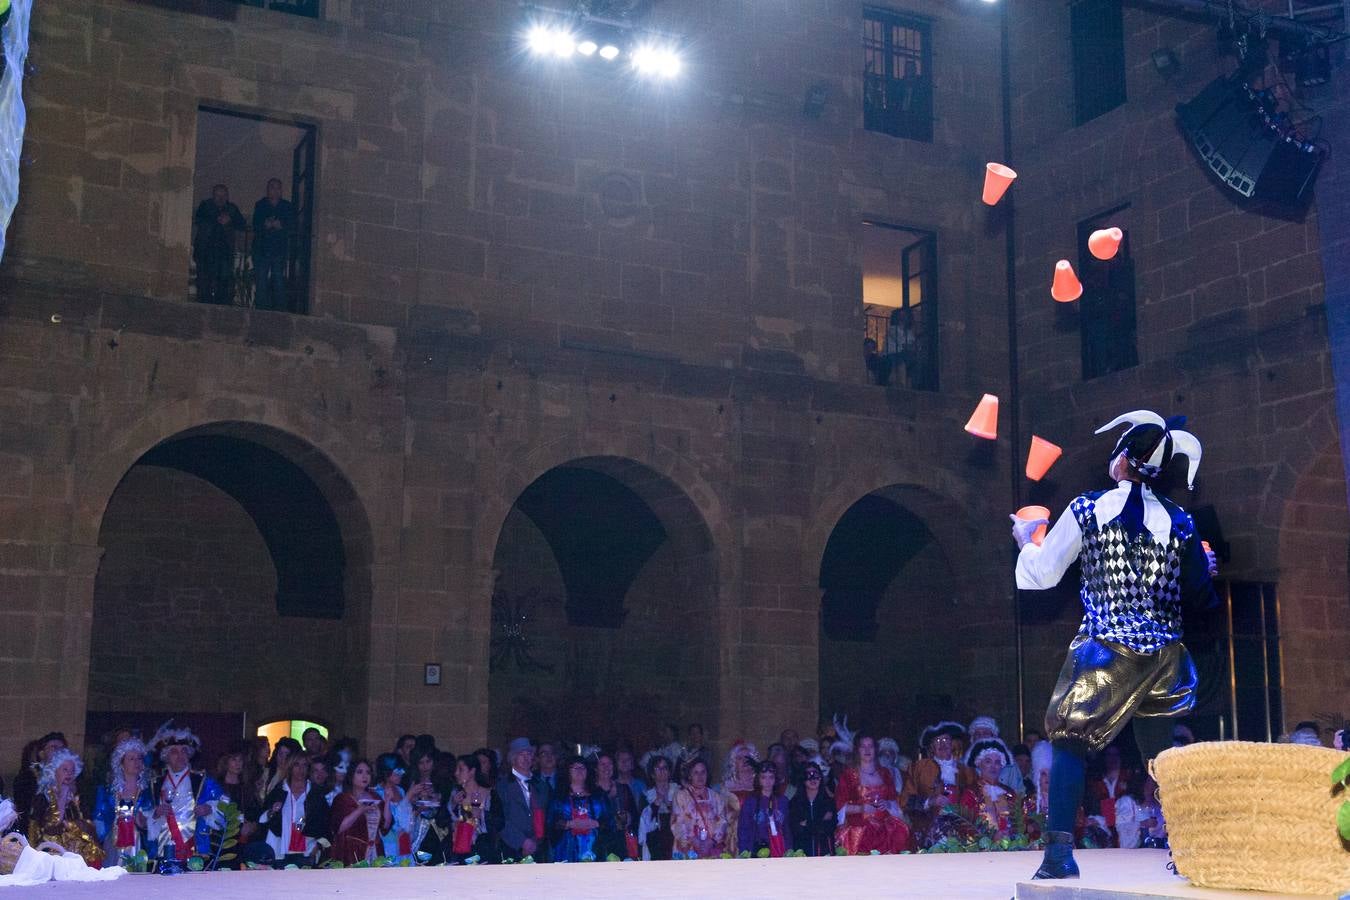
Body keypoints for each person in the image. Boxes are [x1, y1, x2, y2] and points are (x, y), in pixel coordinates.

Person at [1013, 410, 1216, 880]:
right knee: (1160, 757)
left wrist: (1026, 539)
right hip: (1165, 655)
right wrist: (1205, 568)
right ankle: (1189, 850)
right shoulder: (1181, 521)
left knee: (1067, 741)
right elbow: (1200, 597)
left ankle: (1059, 855)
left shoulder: (1088, 509)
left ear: (1122, 460)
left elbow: (1043, 575)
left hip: (1106, 648)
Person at [148, 722, 223, 861]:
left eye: (184, 750)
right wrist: (155, 813)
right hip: (163, 848)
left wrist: (210, 808)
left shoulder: (203, 780)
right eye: (174, 751)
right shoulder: (155, 783)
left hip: (195, 849)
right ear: (166, 756)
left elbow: (225, 805)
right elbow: (143, 814)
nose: (180, 755)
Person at [834, 733, 908, 855]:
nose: (867, 750)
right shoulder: (848, 775)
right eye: (863, 746)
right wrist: (862, 808)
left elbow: (894, 801)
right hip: (858, 833)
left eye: (870, 746)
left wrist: (887, 805)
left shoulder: (885, 773)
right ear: (857, 750)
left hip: (886, 833)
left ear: (875, 750)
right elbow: (840, 805)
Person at [903, 721, 975, 843]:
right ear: (932, 747)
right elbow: (905, 800)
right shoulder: (918, 768)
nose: (942, 744)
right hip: (926, 831)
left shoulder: (966, 771)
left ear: (953, 744)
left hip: (960, 833)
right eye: (937, 741)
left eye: (946, 740)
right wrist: (929, 801)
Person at [29, 748, 103, 866]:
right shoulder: (42, 798)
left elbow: (89, 825)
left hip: (77, 854)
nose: (69, 773)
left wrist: (79, 824)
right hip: (51, 855)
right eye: (65, 770)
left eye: (72, 771)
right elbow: (50, 829)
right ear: (54, 772)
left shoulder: (77, 797)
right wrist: (62, 796)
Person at [92, 738, 154, 862]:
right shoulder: (107, 791)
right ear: (121, 763)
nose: (136, 762)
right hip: (113, 843)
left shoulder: (150, 791)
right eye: (131, 759)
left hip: (139, 845)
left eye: (139, 758)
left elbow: (154, 821)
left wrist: (145, 822)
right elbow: (98, 819)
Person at [261, 755, 328, 866]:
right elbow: (262, 819)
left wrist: (318, 847)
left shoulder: (316, 794)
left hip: (307, 851)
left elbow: (325, 824)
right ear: (290, 767)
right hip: (278, 850)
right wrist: (272, 812)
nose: (301, 769)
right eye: (297, 765)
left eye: (304, 765)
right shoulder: (278, 791)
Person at [960, 740, 1030, 842]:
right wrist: (990, 838)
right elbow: (963, 825)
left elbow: (1020, 824)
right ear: (979, 764)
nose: (993, 766)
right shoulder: (971, 792)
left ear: (1002, 765)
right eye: (988, 761)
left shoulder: (1009, 793)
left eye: (997, 762)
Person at [548, 755, 614, 862]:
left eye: (582, 767)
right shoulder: (559, 797)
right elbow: (550, 822)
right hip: (566, 850)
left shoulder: (599, 795)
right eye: (575, 768)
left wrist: (595, 824)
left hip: (595, 848)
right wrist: (569, 824)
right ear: (568, 772)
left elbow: (610, 821)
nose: (579, 771)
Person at [192, 184, 246, 305]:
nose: (220, 198)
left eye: (223, 195)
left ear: (227, 196)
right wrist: (216, 218)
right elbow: (199, 219)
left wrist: (230, 220)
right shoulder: (205, 206)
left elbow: (242, 224)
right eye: (218, 195)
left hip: (224, 254)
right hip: (205, 251)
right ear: (213, 196)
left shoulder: (232, 209)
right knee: (204, 284)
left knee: (224, 284)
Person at [498, 738, 549, 862]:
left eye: (529, 754)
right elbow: (500, 819)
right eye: (521, 754)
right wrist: (522, 842)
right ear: (513, 758)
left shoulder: (541, 785)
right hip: (512, 847)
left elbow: (546, 815)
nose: (526, 758)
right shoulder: (502, 785)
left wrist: (536, 841)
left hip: (539, 848)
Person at [330, 759, 387, 865]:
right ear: (351, 775)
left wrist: (387, 800)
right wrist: (361, 809)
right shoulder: (343, 799)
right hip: (352, 850)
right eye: (360, 772)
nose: (365, 776)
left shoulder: (375, 797)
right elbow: (339, 827)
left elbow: (385, 827)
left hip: (375, 850)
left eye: (368, 772)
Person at [672, 758, 730, 859]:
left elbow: (722, 821)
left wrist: (711, 841)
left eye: (703, 772)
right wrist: (694, 841)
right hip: (687, 848)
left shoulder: (716, 797)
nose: (700, 776)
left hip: (710, 848)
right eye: (696, 773)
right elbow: (677, 823)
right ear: (690, 775)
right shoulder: (681, 796)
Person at [250, 178, 294, 312]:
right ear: (267, 190)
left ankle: (280, 311)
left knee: (278, 281)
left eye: (277, 188)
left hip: (278, 249)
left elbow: (292, 224)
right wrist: (265, 224)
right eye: (272, 187)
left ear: (281, 191)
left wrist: (281, 225)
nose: (274, 190)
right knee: (261, 281)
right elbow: (256, 224)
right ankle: (262, 311)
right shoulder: (260, 205)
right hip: (261, 249)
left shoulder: (287, 206)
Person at [449, 754, 500, 863]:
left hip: (483, 849)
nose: (456, 773)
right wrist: (452, 805)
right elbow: (443, 822)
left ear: (472, 771)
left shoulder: (489, 794)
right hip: (459, 849)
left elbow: (500, 822)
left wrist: (482, 814)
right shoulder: (455, 794)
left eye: (461, 770)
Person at [12, 732, 65, 836]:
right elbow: (24, 809)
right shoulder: (27, 777)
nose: (59, 752)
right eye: (54, 747)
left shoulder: (71, 777)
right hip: (34, 834)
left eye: (62, 749)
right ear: (42, 753)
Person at [737, 761, 791, 857]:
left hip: (779, 850)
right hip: (755, 851)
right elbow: (743, 830)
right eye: (763, 777)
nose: (768, 781)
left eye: (771, 777)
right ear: (758, 779)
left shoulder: (783, 801)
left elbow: (787, 830)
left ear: (775, 779)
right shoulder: (750, 802)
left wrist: (789, 851)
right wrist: (744, 852)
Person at [1085, 744, 1132, 846]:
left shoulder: (1130, 779)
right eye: (1109, 755)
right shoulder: (1097, 782)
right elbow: (1093, 807)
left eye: (1115, 755)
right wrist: (1096, 819)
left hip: (1127, 828)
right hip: (1104, 829)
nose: (1112, 758)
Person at [595, 751, 639, 859]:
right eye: (602, 764)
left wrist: (629, 817)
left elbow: (635, 815)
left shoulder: (623, 789)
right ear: (596, 768)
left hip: (622, 842)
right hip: (599, 843)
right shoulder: (591, 791)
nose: (607, 767)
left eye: (609, 764)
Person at [788, 761, 834, 856]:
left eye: (816, 775)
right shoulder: (795, 803)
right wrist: (820, 821)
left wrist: (807, 824)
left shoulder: (829, 802)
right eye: (808, 775)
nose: (813, 779)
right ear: (803, 779)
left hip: (824, 853)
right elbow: (796, 829)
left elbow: (829, 828)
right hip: (802, 854)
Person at [638, 756, 678, 860]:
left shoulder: (678, 791)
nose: (662, 771)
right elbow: (643, 822)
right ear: (652, 774)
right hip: (655, 843)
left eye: (665, 767)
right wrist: (656, 804)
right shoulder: (646, 795)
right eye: (658, 768)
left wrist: (669, 804)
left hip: (675, 839)